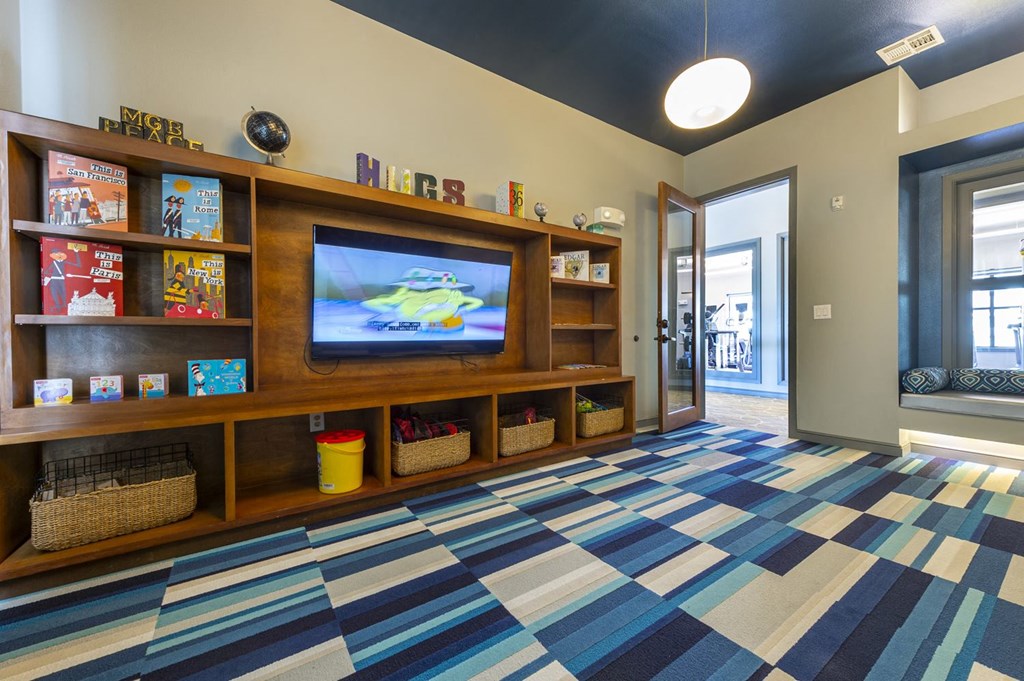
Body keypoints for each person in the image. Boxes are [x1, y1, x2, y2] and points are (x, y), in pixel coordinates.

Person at [41, 246, 83, 312]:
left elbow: (78, 265)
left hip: (61, 281)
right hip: (54, 281)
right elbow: (46, 271)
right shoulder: (54, 263)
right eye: (56, 254)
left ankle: (62, 307)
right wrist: (54, 275)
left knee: (63, 296)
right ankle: (57, 307)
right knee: (54, 295)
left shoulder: (64, 262)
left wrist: (76, 253)